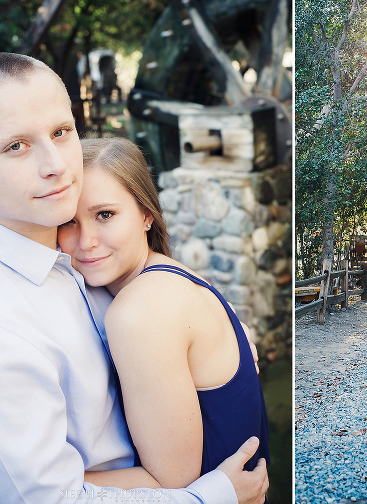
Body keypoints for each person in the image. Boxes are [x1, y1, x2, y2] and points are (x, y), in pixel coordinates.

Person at [0, 52, 267, 504]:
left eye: (61, 132)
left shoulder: (66, 246)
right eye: (16, 145)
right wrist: (208, 497)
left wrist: (217, 334)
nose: (54, 164)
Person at [57, 137, 271, 489]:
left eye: (105, 214)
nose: (86, 241)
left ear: (146, 215)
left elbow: (171, 482)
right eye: (69, 221)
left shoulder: (141, 309)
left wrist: (25, 484)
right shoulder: (174, 277)